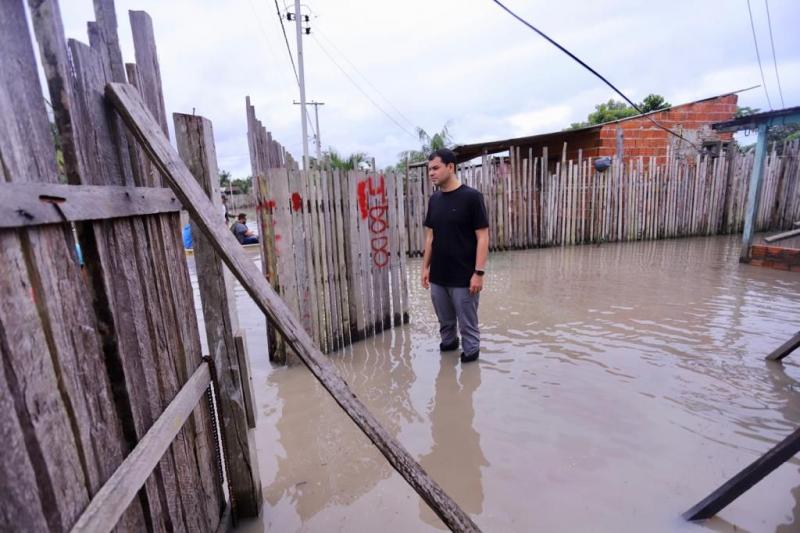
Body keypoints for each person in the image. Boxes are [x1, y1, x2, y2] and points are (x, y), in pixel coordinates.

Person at [421, 148, 489, 363]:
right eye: (429, 169)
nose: (431, 173)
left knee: (468, 326)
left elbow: (483, 238)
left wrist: (478, 273)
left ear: (450, 167)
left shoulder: (472, 197)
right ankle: (447, 367)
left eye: (435, 168)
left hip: (464, 277)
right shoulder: (434, 200)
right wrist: (425, 268)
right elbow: (431, 237)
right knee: (445, 325)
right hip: (439, 276)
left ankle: (470, 368)